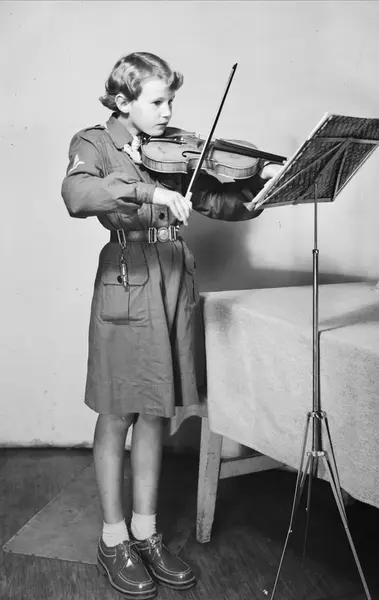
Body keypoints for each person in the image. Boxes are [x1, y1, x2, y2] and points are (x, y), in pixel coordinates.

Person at [61, 51, 282, 599]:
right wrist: (147, 191)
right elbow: (77, 195)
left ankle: (146, 532)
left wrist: (263, 189)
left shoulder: (174, 147)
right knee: (119, 411)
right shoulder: (94, 143)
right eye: (157, 102)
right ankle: (113, 540)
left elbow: (214, 199)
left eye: (171, 102)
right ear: (122, 101)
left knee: (156, 410)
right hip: (128, 277)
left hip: (173, 278)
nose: (168, 113)